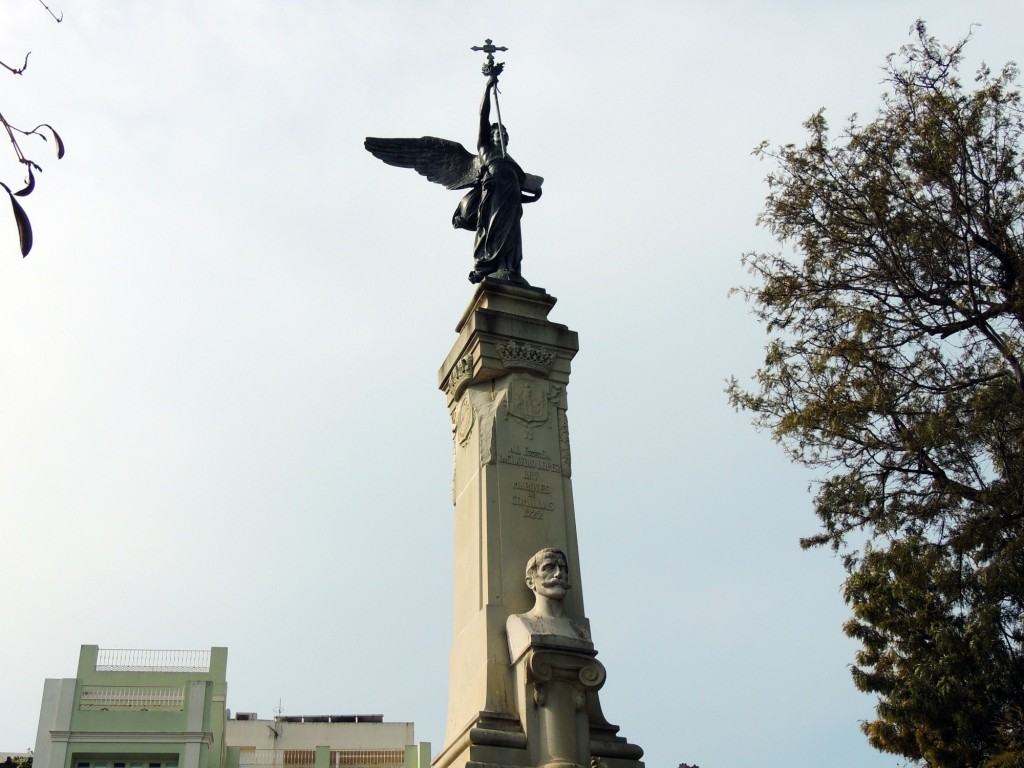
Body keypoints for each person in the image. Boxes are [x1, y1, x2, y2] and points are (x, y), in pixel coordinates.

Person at [453, 76, 540, 285]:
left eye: (504, 133)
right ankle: (492, 266)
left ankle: (509, 267)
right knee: (495, 230)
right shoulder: (486, 150)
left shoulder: (510, 161)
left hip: (511, 199)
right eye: (497, 133)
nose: (500, 135)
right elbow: (483, 115)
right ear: (490, 137)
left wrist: (534, 194)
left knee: (511, 235)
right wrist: (488, 87)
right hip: (495, 197)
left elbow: (521, 190)